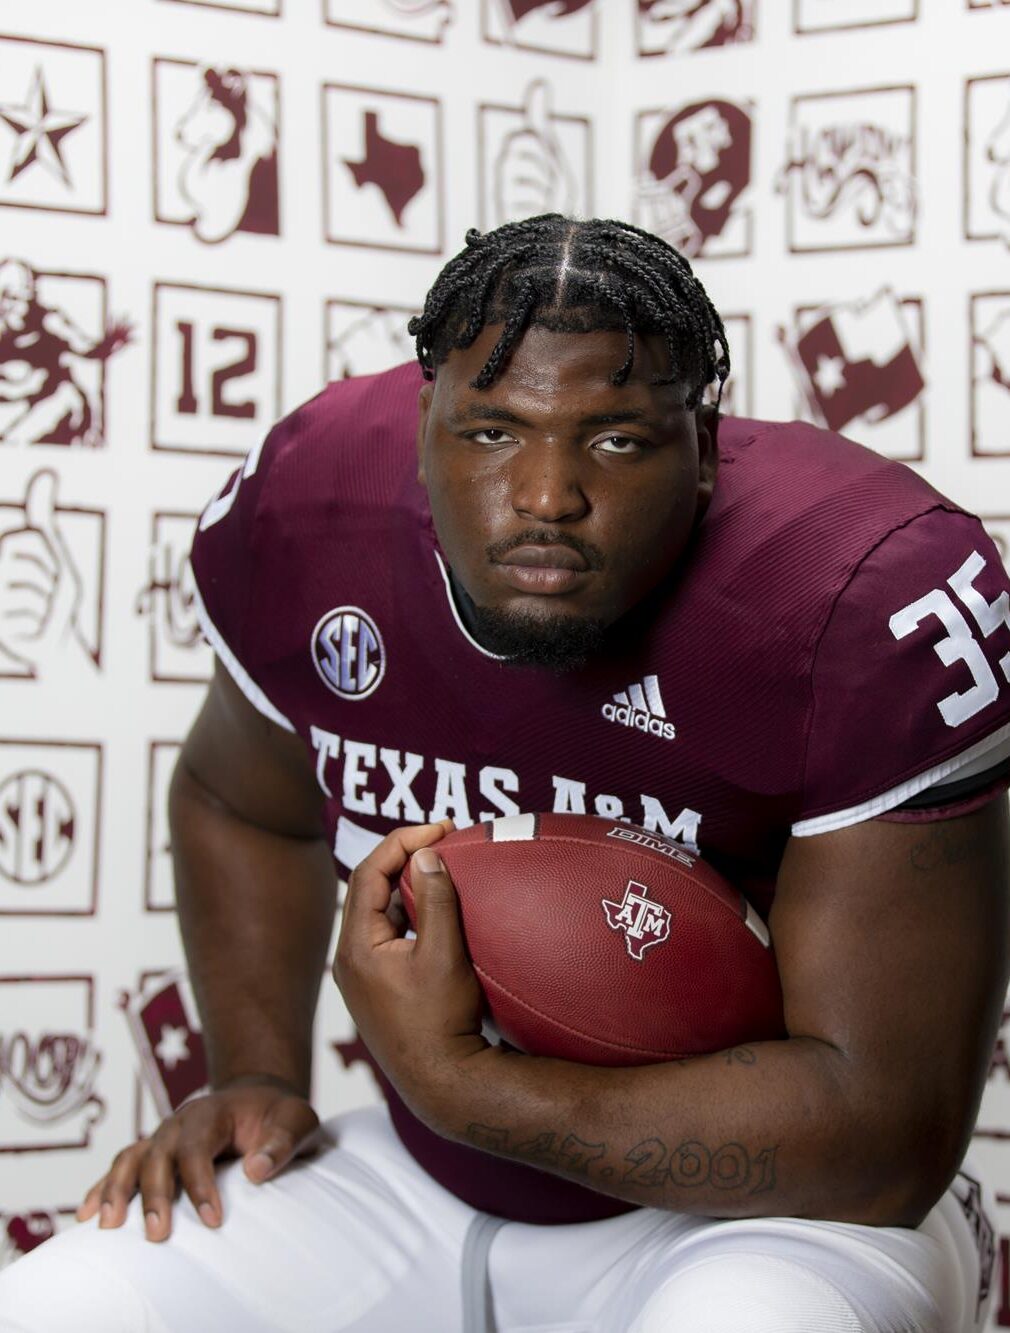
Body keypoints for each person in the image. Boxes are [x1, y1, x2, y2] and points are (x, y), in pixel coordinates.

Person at [3, 214, 1010, 1332]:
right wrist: (255, 1076)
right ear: (418, 418)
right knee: (60, 1304)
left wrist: (459, 1084)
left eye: (618, 440)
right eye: (490, 431)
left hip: (770, 1215)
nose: (544, 494)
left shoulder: (852, 585)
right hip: (421, 1182)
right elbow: (241, 802)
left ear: (706, 447)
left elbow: (885, 1136)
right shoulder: (308, 501)